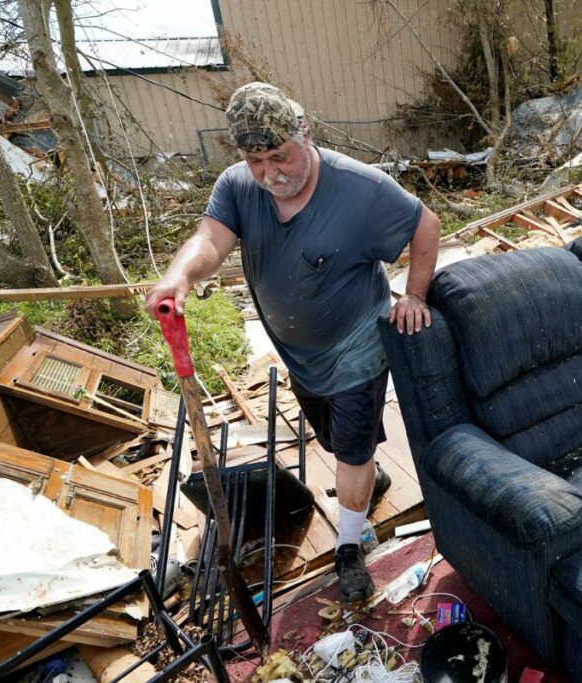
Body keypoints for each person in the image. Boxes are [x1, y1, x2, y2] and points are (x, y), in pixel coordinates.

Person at [145, 82, 440, 603]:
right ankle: (368, 478)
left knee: (349, 448)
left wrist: (414, 295)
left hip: (357, 345)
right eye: (255, 160)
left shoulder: (360, 189)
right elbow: (211, 239)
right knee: (335, 441)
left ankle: (350, 546)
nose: (269, 173)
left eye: (279, 156)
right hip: (300, 355)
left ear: (304, 135)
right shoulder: (238, 187)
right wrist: (179, 277)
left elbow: (427, 225)